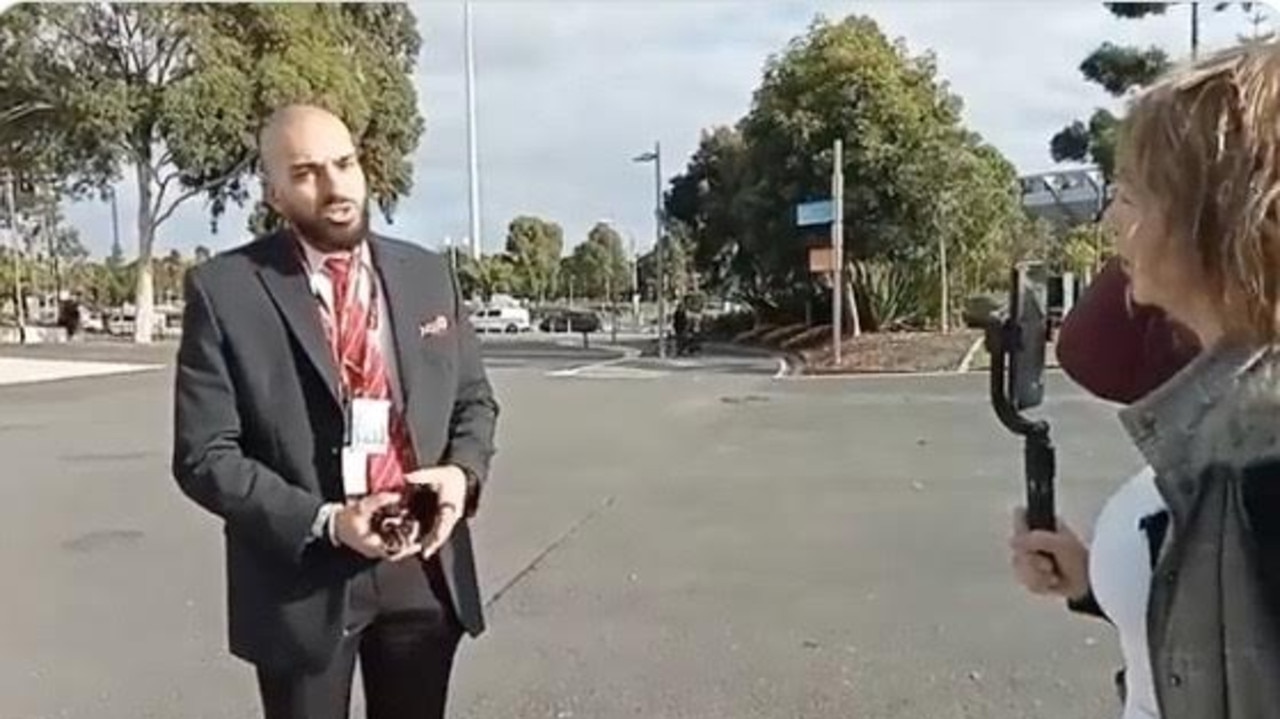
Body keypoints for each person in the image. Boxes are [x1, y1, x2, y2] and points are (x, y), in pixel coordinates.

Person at [171, 104, 499, 719]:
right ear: (273, 192)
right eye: (306, 172)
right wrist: (328, 520)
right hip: (303, 576)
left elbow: (473, 402)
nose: (335, 186)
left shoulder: (428, 275)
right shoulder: (226, 291)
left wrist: (461, 476)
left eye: (344, 163)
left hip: (422, 566)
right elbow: (203, 456)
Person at [1010, 41, 1280, 719]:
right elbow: (1230, 635)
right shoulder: (1225, 414)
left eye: (1130, 193)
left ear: (1215, 219)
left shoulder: (1265, 462)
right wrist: (1100, 578)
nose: (1109, 223)